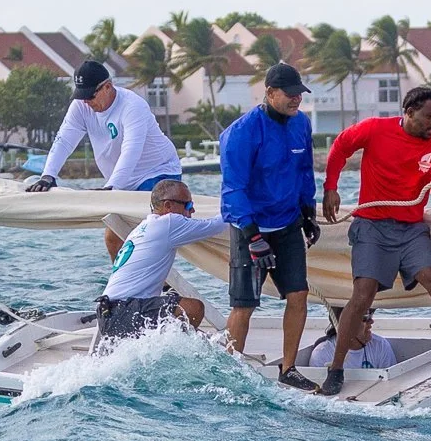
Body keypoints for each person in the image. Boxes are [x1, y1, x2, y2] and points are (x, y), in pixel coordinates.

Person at [320, 85, 431, 396]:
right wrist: (330, 187)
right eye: (428, 116)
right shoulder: (375, 129)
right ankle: (336, 369)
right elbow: (340, 147)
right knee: (363, 293)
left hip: (411, 227)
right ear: (409, 112)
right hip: (372, 225)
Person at [220, 63, 319, 389]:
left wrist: (308, 213)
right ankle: (228, 371)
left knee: (299, 294)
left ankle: (288, 369)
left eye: (299, 95)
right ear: (270, 93)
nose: (296, 100)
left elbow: (305, 169)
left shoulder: (301, 124)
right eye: (290, 95)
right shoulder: (241, 133)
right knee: (244, 304)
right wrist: (252, 236)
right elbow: (233, 189)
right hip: (251, 227)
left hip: (288, 222)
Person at [27, 60, 184, 260]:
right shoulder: (81, 106)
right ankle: (123, 285)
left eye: (90, 95)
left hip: (158, 172)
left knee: (146, 234)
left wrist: (112, 187)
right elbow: (64, 140)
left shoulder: (133, 106)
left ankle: (160, 285)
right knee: (113, 239)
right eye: (81, 95)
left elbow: (131, 150)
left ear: (107, 87)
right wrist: (48, 175)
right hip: (121, 181)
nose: (86, 102)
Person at [97, 179, 225, 341]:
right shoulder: (170, 222)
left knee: (176, 300)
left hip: (107, 314)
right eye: (187, 205)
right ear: (168, 206)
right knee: (193, 308)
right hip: (124, 311)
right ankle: (177, 350)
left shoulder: (143, 227)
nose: (192, 210)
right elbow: (219, 225)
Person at [309, 310, 397, 371]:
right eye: (365, 318)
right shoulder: (321, 354)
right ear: (345, 325)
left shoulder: (381, 346)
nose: (371, 321)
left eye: (371, 315)